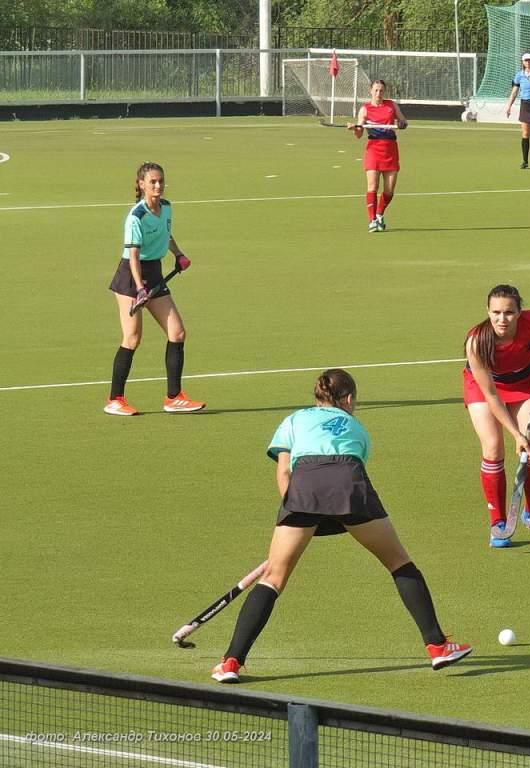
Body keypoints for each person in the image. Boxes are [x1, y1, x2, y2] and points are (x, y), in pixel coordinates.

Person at [211, 369, 472, 683]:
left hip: (302, 490)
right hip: (349, 485)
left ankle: (230, 662)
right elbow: (343, 484)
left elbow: (284, 473)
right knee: (399, 562)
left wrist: (296, 515)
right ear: (348, 399)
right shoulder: (357, 427)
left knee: (273, 578)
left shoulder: (293, 420)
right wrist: (322, 515)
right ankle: (438, 646)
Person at [463, 285, 530, 548]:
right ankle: (498, 523)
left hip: (524, 382)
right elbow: (491, 395)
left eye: (509, 312)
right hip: (485, 388)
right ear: (488, 311)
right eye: (496, 312)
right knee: (493, 447)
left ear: (519, 312)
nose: (502, 319)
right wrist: (516, 434)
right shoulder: (477, 341)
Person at [104, 162, 204, 416]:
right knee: (132, 338)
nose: (158, 185)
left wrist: (178, 254)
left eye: (161, 181)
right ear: (141, 185)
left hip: (155, 273)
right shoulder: (136, 217)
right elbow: (133, 256)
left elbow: (166, 234)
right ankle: (115, 399)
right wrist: (139, 288)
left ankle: (174, 397)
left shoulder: (166, 207)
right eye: (152, 182)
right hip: (131, 278)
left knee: (177, 333)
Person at [347, 80, 409, 233]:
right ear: (371, 91)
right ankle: (372, 220)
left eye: (381, 91)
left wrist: (402, 123)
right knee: (372, 187)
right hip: (374, 149)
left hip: (390, 149)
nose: (378, 93)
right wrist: (355, 128)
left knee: (389, 190)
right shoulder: (365, 109)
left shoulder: (391, 106)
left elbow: (403, 121)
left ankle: (379, 214)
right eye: (376, 90)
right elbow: (359, 134)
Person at [503, 52, 530, 169]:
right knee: (525, 134)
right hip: (525, 105)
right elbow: (514, 92)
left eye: (529, 60)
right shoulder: (519, 75)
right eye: (525, 60)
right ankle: (525, 161)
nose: (527, 62)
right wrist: (509, 106)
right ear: (522, 62)